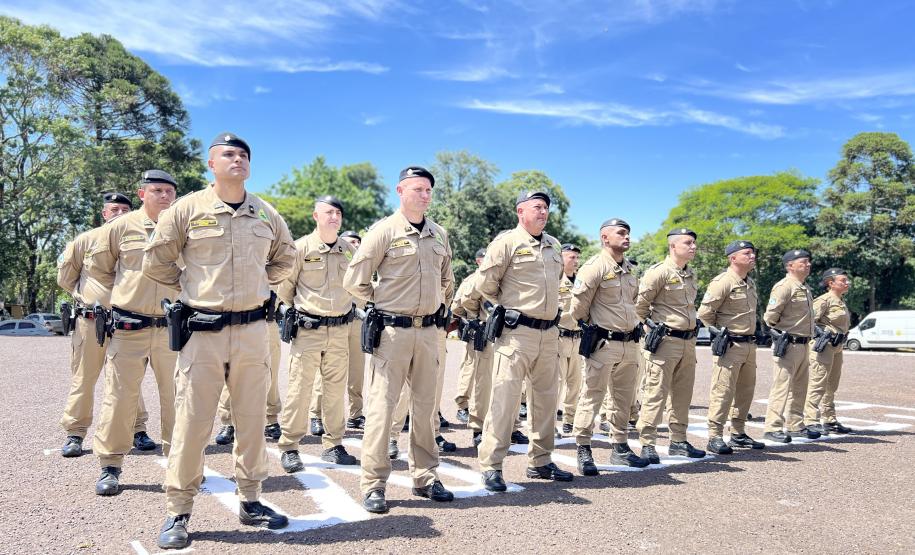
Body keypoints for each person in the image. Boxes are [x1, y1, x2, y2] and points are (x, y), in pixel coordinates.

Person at [144, 133, 296, 549]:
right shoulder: (187, 209)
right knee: (193, 423)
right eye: (228, 154)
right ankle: (178, 510)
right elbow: (156, 260)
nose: (238, 159)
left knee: (250, 422)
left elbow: (287, 257)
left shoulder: (265, 213)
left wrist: (262, 284)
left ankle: (251, 500)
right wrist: (191, 288)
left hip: (252, 333)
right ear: (211, 164)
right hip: (203, 332)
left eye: (244, 154)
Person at [343, 166, 455, 514]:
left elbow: (447, 280)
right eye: (418, 189)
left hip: (428, 334)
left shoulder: (439, 234)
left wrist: (438, 306)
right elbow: (354, 280)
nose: (425, 195)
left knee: (425, 410)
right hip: (392, 333)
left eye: (428, 190)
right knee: (381, 409)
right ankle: (374, 483)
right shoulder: (384, 231)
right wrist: (381, 301)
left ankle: (425, 477)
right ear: (400, 190)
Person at [475, 190, 573, 493]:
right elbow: (485, 284)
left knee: (545, 401)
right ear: (521, 211)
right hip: (516, 334)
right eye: (537, 207)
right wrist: (507, 309)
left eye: (546, 208)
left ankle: (540, 460)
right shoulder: (506, 243)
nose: (543, 212)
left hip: (548, 333)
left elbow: (556, 284)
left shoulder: (554, 245)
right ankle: (491, 465)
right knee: (504, 401)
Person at [89, 172, 181, 496]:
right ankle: (110, 465)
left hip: (172, 329)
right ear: (142, 193)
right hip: (129, 327)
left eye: (170, 191)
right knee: (120, 397)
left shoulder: (181, 229)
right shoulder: (120, 228)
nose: (165, 196)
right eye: (157, 190)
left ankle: (179, 464)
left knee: (177, 399)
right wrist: (125, 293)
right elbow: (99, 268)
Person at [56, 192, 154, 457]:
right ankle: (75, 433)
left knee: (126, 380)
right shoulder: (85, 241)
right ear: (104, 213)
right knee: (84, 378)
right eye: (114, 209)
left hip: (127, 323)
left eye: (125, 209)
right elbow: (66, 278)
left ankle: (138, 430)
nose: (120, 213)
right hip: (91, 322)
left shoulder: (142, 241)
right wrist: (92, 296)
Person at [277, 195, 360, 472]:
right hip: (308, 330)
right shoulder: (300, 248)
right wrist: (302, 311)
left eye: (338, 212)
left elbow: (358, 285)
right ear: (316, 216)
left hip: (340, 331)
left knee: (335, 391)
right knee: (300, 390)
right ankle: (289, 446)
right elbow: (285, 288)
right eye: (328, 212)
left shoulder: (349, 250)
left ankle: (333, 444)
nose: (334, 217)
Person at [569, 219, 648, 474]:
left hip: (629, 343)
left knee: (623, 400)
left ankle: (620, 447)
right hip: (603, 342)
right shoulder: (594, 267)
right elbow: (577, 308)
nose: (627, 237)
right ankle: (583, 447)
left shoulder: (629, 270)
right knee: (592, 396)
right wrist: (594, 327)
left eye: (628, 233)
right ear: (605, 237)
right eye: (621, 233)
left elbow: (633, 304)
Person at [634, 228, 707, 464]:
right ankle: (648, 443)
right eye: (688, 243)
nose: (693, 247)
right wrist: (650, 330)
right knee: (655, 393)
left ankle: (678, 441)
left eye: (694, 242)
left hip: (688, 342)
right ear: (673, 246)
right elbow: (639, 308)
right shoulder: (658, 272)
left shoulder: (690, 274)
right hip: (665, 342)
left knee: (683, 396)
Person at [697, 241, 765, 454]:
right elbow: (705, 313)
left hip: (749, 344)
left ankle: (738, 433)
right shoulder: (723, 282)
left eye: (753, 253)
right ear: (733, 258)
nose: (752, 256)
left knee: (745, 391)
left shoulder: (750, 283)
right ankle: (715, 436)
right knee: (723, 391)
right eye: (747, 253)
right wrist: (717, 333)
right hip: (730, 345)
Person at [762, 249, 820, 443]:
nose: (808, 264)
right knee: (782, 387)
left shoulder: (805, 287)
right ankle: (772, 427)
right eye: (804, 262)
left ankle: (795, 424)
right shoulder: (784, 286)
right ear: (790, 266)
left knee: (800, 388)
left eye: (808, 261)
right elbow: (770, 317)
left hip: (804, 343)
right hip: (788, 344)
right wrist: (781, 335)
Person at [213, 286, 283, 445]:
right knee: (232, 372)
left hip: (267, 319)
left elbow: (287, 285)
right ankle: (228, 423)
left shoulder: (274, 260)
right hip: (235, 319)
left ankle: (271, 419)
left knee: (271, 372)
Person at [803, 268, 853, 435]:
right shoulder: (824, 300)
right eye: (843, 280)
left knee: (831, 385)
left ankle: (829, 420)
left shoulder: (840, 300)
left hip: (837, 347)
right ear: (831, 283)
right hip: (823, 346)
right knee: (818, 384)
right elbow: (809, 321)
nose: (847, 283)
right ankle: (811, 420)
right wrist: (823, 334)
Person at [453, 248, 487, 424]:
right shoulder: (472, 280)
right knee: (470, 369)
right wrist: (473, 318)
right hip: (476, 331)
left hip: (493, 333)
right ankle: (462, 407)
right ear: (478, 261)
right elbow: (457, 306)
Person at [556, 243, 583, 436]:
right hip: (559, 337)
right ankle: (548, 423)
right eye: (571, 257)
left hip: (578, 339)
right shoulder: (555, 279)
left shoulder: (581, 281)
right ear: (561, 258)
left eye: (576, 258)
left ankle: (569, 419)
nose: (575, 261)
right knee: (556, 383)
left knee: (575, 383)